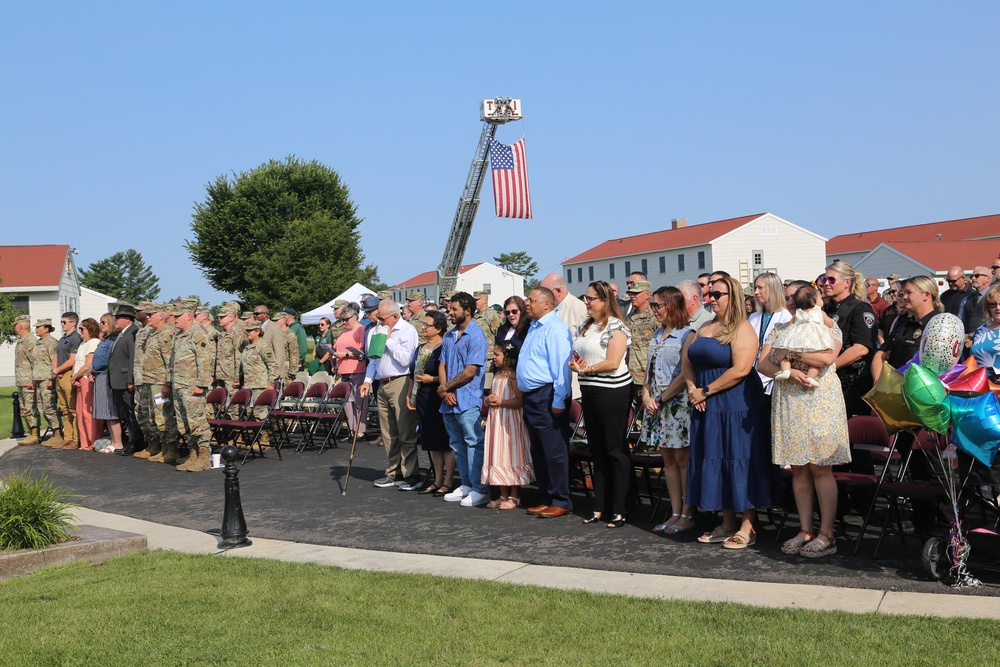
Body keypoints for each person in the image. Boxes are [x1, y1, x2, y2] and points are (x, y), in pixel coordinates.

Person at [759, 284, 849, 558]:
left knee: (820, 467)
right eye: (788, 299)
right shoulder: (779, 329)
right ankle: (805, 529)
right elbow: (763, 363)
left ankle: (827, 534)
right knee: (798, 467)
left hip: (819, 399)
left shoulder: (829, 325)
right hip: (790, 398)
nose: (792, 304)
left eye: (796, 300)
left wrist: (792, 355)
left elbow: (827, 357)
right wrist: (788, 370)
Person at [684, 276, 771, 549]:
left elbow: (742, 369)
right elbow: (687, 362)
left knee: (739, 457)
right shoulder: (705, 327)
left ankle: (748, 525)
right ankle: (727, 522)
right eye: (709, 294)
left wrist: (706, 391)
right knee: (716, 457)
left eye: (717, 294)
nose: (711, 299)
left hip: (736, 404)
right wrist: (692, 389)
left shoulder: (742, 328)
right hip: (706, 404)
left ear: (731, 296)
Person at [568, 281, 633, 528]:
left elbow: (613, 362)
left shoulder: (617, 327)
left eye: (591, 298)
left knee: (615, 450)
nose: (586, 302)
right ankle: (600, 506)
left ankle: (620, 508)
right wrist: (577, 365)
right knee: (597, 449)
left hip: (613, 391)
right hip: (590, 391)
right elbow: (581, 355)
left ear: (605, 301)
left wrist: (585, 371)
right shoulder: (586, 327)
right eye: (585, 297)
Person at [641, 287, 696, 535]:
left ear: (673, 305)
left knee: (683, 460)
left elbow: (685, 374)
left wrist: (661, 398)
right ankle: (675, 512)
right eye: (653, 305)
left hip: (676, 403)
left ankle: (687, 513)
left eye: (658, 305)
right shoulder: (656, 335)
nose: (654, 309)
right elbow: (648, 372)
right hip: (657, 402)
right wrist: (645, 395)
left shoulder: (688, 334)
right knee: (668, 460)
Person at [517, 287, 574, 518]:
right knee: (539, 450)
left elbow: (561, 367)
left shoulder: (555, 329)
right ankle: (547, 497)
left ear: (547, 304)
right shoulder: (534, 326)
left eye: (531, 300)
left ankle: (562, 500)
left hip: (547, 394)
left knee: (554, 451)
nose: (526, 303)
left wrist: (559, 399)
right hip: (532, 396)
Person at [360, 299, 421, 488]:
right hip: (382, 383)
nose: (379, 321)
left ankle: (411, 474)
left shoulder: (407, 330)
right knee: (388, 433)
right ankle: (394, 471)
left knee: (405, 431)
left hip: (401, 381)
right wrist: (367, 381)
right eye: (378, 317)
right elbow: (373, 361)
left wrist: (389, 340)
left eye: (383, 318)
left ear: (395, 316)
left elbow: (406, 360)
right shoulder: (376, 330)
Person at [438, 292, 490, 506]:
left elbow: (470, 371)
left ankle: (480, 487)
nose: (449, 312)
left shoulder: (477, 336)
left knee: (473, 443)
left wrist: (446, 387)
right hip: (449, 400)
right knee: (457, 444)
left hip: (468, 400)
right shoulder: (450, 336)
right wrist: (444, 390)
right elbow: (442, 364)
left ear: (467, 311)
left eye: (454, 309)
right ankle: (467, 484)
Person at [407, 309, 455, 496]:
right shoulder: (420, 348)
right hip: (421, 398)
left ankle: (449, 480)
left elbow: (450, 375)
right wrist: (410, 395)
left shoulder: (445, 347)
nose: (423, 328)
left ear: (439, 328)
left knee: (444, 440)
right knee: (431, 441)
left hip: (438, 396)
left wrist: (433, 379)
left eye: (427, 325)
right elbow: (413, 374)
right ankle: (437, 479)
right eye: (423, 324)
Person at [821, 261, 877, 416]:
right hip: (827, 380)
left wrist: (828, 367)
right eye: (825, 279)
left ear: (847, 282)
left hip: (850, 382)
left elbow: (861, 348)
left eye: (831, 280)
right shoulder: (825, 309)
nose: (826, 283)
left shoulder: (860, 309)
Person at [482, 340, 534, 510]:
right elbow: (491, 395)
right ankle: (502, 494)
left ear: (508, 357)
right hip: (497, 420)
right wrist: (487, 400)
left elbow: (519, 401)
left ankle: (515, 495)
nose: (494, 357)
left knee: (511, 454)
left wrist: (501, 402)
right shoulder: (497, 375)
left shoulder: (513, 376)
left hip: (510, 421)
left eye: (497, 354)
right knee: (498, 453)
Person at [165, 299, 215, 472]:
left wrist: (201, 384)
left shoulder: (197, 333)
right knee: (184, 423)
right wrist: (168, 383)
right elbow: (172, 362)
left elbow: (205, 360)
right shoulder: (179, 335)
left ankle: (204, 457)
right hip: (179, 386)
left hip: (192, 387)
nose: (174, 319)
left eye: (178, 316)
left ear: (188, 315)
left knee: (197, 422)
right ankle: (193, 454)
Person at [872, 276, 943, 382]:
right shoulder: (903, 322)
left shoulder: (939, 326)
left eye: (908, 293)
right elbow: (881, 354)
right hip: (894, 390)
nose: (904, 297)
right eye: (903, 293)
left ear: (926, 295)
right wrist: (878, 383)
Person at [772, 289, 835, 388]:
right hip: (814, 340)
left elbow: (790, 325)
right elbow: (830, 324)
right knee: (815, 363)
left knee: (785, 356)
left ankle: (786, 370)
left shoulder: (797, 312)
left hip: (797, 340)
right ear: (814, 300)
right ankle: (810, 377)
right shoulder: (819, 312)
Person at [748, 272, 792, 398]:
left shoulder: (786, 317)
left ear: (773, 288)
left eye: (760, 288)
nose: (756, 292)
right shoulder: (754, 317)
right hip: (751, 375)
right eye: (755, 288)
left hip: (772, 379)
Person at [108, 304, 141, 456]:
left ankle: (136, 442)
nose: (115, 320)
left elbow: (132, 359)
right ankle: (132, 440)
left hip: (125, 379)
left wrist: (130, 379)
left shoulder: (132, 333)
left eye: (118, 317)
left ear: (127, 320)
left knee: (131, 412)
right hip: (118, 379)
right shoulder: (122, 334)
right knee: (127, 413)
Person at [332, 304, 368, 439]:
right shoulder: (345, 331)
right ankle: (352, 428)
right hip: (344, 370)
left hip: (357, 369)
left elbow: (361, 352)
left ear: (355, 317)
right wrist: (334, 354)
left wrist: (345, 355)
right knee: (347, 401)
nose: (345, 322)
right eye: (342, 320)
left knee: (359, 400)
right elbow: (337, 347)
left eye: (346, 319)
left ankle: (360, 429)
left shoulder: (361, 329)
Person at [49, 312, 82, 448]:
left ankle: (76, 438)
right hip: (59, 376)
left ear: (73, 323)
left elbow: (72, 360)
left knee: (73, 408)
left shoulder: (76, 338)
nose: (62, 324)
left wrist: (58, 370)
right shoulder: (63, 339)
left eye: (64, 322)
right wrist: (55, 371)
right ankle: (67, 437)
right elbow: (57, 357)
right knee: (64, 409)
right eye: (61, 322)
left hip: (68, 374)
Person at [90, 313, 121, 452]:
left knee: (111, 411)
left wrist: (93, 368)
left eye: (103, 322)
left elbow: (108, 359)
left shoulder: (113, 340)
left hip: (106, 375)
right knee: (105, 412)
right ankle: (113, 442)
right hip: (100, 376)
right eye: (100, 322)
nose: (101, 324)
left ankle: (117, 443)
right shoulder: (104, 339)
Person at [71, 318, 102, 450]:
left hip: (85, 379)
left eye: (82, 329)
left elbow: (87, 364)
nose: (80, 332)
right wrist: (74, 376)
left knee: (87, 412)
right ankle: (84, 442)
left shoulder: (93, 342)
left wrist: (75, 377)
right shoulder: (83, 344)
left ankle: (92, 441)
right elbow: (77, 362)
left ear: (90, 329)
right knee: (80, 412)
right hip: (79, 379)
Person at [13, 316, 40, 445]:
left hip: (28, 381)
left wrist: (32, 380)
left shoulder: (31, 341)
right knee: (24, 408)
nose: (14, 328)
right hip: (21, 381)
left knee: (30, 408)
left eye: (15, 325)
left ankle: (35, 434)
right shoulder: (21, 341)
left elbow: (36, 362)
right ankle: (31, 432)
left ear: (20, 326)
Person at [626, 280, 657, 388]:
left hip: (646, 376)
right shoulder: (629, 317)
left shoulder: (655, 316)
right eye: (631, 293)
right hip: (629, 375)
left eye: (636, 293)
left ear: (648, 294)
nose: (632, 296)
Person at [962, 266, 993, 358]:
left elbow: (994, 321)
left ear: (987, 279)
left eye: (977, 276)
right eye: (972, 276)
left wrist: (973, 336)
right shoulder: (967, 299)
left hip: (987, 347)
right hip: (967, 347)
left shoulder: (993, 297)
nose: (973, 278)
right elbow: (961, 319)